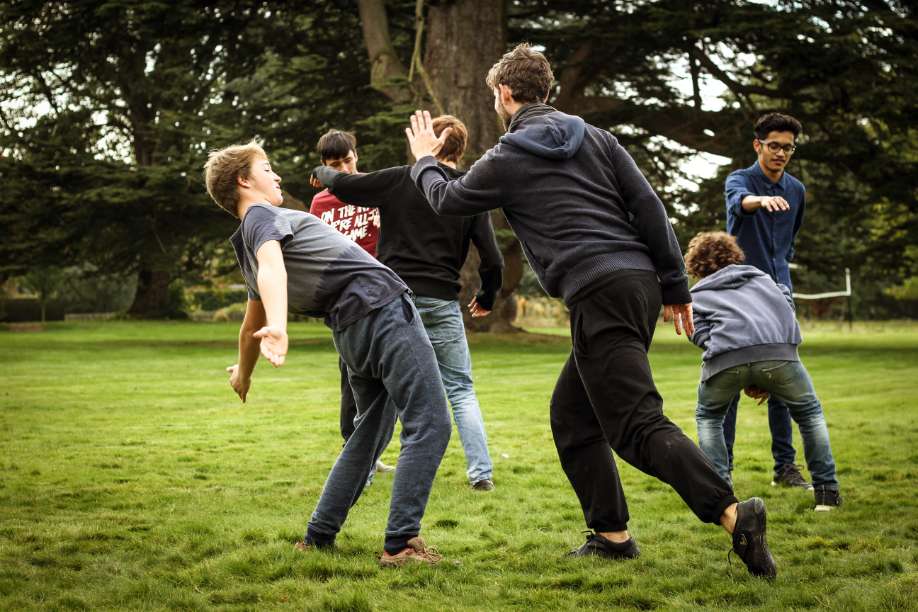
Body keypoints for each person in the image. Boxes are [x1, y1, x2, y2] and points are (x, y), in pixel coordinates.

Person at [403, 44, 776, 578]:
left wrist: (423, 162)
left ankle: (734, 515)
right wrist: (674, 285)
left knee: (634, 425)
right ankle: (611, 535)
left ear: (504, 94)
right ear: (546, 91)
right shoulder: (599, 139)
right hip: (636, 283)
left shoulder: (509, 156)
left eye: (494, 95)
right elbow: (649, 207)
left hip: (600, 290)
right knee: (573, 417)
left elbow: (446, 199)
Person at [204, 139, 450, 567]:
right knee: (430, 422)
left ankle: (318, 536)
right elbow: (273, 270)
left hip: (352, 329)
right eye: (266, 168)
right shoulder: (262, 218)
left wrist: (244, 374)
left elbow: (249, 323)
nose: (277, 175)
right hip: (382, 310)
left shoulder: (245, 245)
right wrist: (278, 327)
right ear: (244, 181)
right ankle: (401, 544)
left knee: (366, 437)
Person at [312, 115, 503, 491]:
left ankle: (362, 475)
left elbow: (346, 186)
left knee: (381, 393)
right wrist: (487, 295)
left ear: (425, 143)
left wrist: (323, 171)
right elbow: (493, 259)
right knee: (460, 389)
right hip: (443, 301)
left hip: (394, 299)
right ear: (461, 150)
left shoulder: (401, 177)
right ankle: (481, 474)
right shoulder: (469, 190)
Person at [684, 231, 841, 511]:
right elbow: (786, 303)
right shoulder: (764, 279)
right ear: (734, 254)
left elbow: (694, 328)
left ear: (696, 266)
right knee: (809, 415)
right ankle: (827, 494)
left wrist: (727, 349)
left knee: (708, 417)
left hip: (725, 359)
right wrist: (764, 356)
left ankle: (723, 500)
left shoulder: (696, 294)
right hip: (780, 355)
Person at [724, 113, 810, 489]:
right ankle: (720, 471)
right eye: (773, 145)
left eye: (787, 147)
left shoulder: (797, 190)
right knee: (727, 382)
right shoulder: (739, 180)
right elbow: (740, 203)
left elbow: (790, 238)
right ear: (758, 145)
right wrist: (760, 200)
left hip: (781, 293)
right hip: (741, 293)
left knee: (781, 383)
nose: (780, 153)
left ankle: (785, 470)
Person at [308, 129, 393, 475]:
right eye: (334, 164)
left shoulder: (375, 189)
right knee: (351, 377)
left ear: (357, 154)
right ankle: (352, 450)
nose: (344, 168)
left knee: (385, 377)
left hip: (381, 288)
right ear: (325, 166)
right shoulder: (320, 204)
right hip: (344, 298)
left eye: (348, 160)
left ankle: (369, 452)